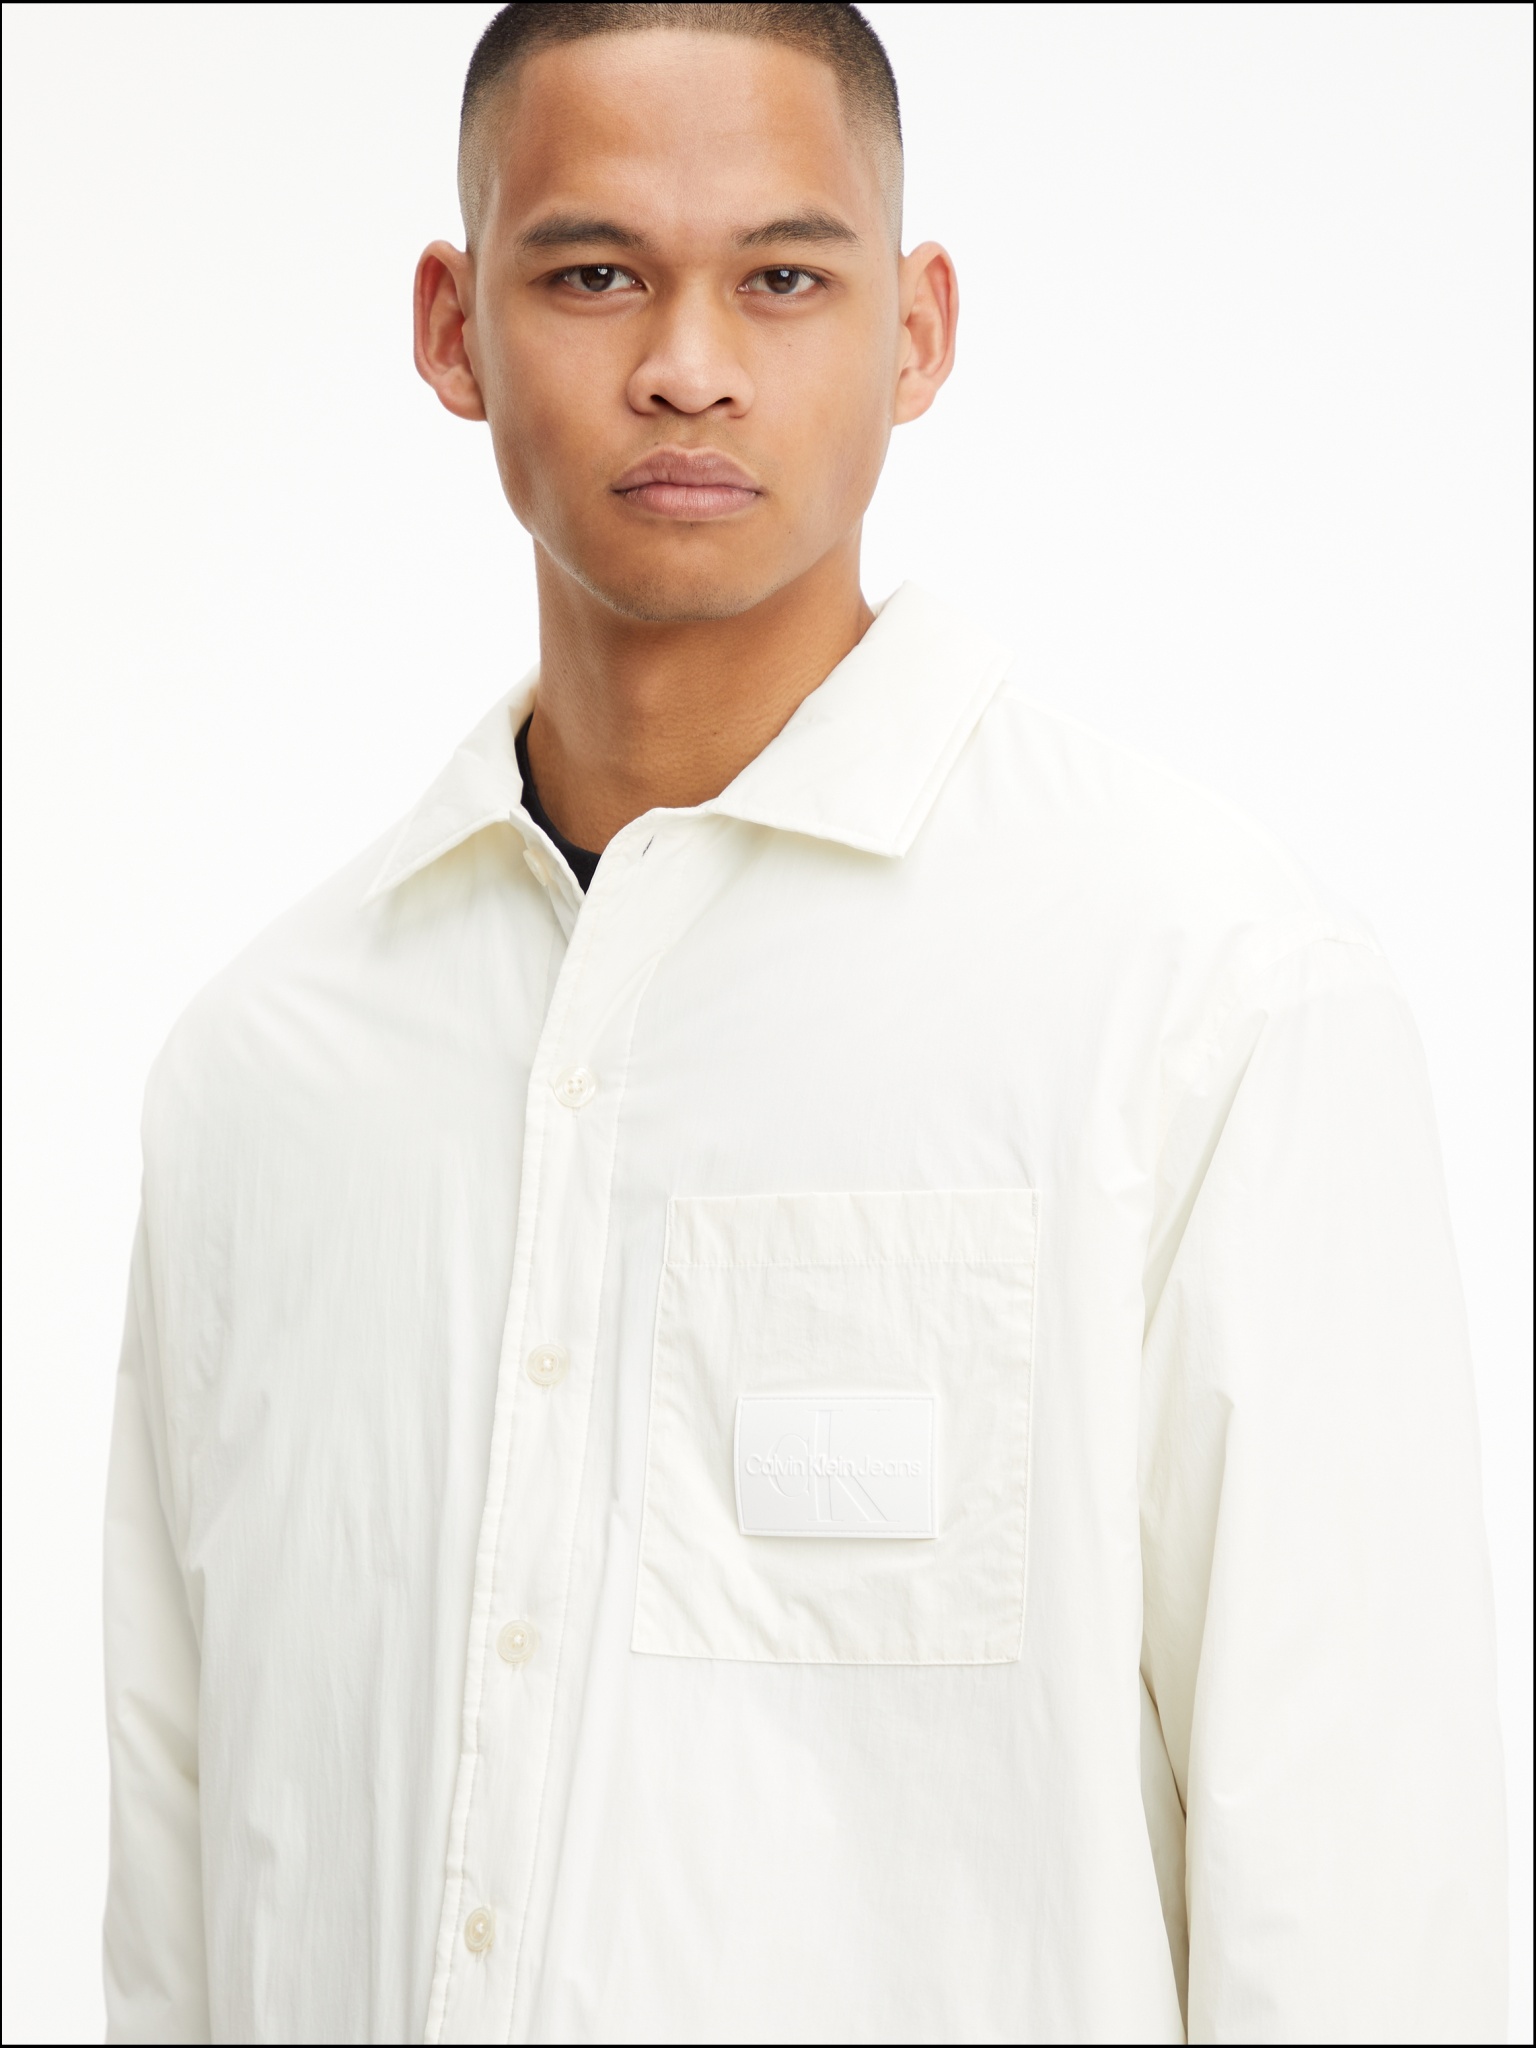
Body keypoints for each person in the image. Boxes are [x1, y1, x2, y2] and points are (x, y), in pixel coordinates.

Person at [102, 5, 1507, 2041]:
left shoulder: (1201, 997)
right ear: (451, 328)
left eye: (782, 277)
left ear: (916, 333)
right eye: (595, 273)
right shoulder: (264, 1072)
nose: (688, 363)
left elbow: (1366, 1914)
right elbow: (180, 1894)